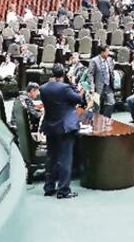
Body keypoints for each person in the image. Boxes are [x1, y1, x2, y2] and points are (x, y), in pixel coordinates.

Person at [40, 63, 86, 199]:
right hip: (65, 128)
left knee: (51, 158)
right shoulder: (65, 88)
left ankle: (49, 187)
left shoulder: (43, 88)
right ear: (64, 74)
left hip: (50, 126)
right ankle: (63, 190)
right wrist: (72, 83)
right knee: (65, 158)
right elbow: (79, 98)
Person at [88, 47, 116, 117]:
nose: (108, 53)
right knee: (97, 107)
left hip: (108, 86)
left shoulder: (110, 60)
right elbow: (90, 75)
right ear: (102, 52)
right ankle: (95, 123)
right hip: (98, 87)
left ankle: (106, 119)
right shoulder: (94, 60)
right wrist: (92, 87)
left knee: (111, 103)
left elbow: (111, 72)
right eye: (107, 52)